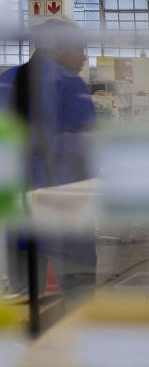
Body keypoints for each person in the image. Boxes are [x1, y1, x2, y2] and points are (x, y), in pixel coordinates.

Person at [0, 19, 97, 296]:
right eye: (79, 48)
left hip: (18, 206)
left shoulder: (7, 80)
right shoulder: (70, 84)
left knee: (23, 293)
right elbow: (81, 148)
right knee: (79, 287)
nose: (84, 56)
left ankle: (27, 340)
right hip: (61, 203)